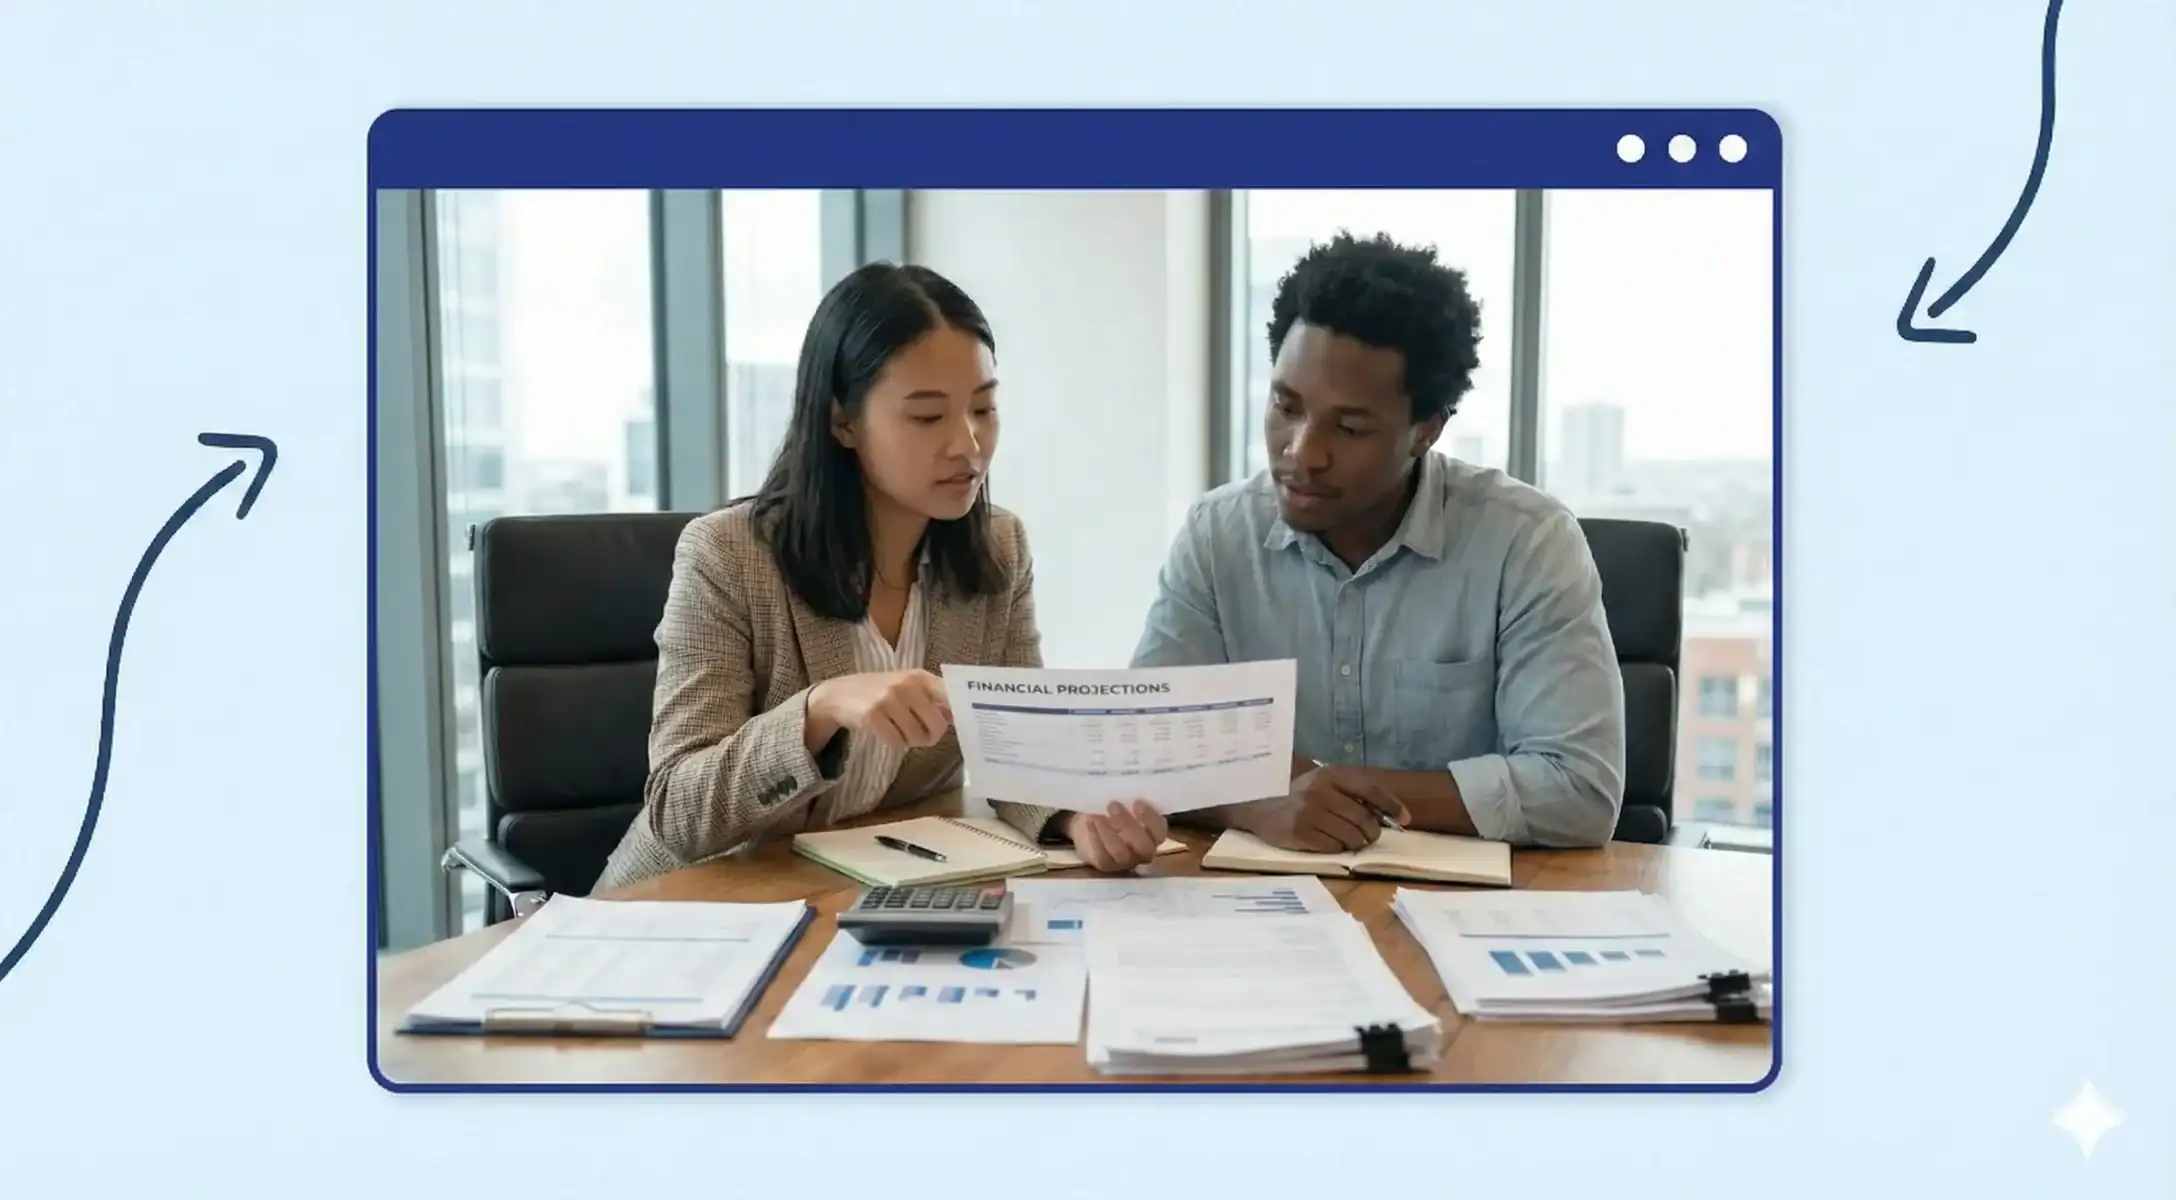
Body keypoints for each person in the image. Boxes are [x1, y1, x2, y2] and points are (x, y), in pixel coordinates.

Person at [596, 263, 1166, 891]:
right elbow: (678, 810)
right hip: (696, 903)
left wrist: (1073, 814)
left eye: (984, 408)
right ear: (843, 421)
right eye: (927, 418)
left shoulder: (999, 548)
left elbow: (1015, 747)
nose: (969, 445)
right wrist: (818, 710)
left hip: (867, 894)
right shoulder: (728, 556)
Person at [1134, 232, 1626, 853]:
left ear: (1426, 430)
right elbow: (1148, 746)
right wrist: (1263, 804)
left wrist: (1328, 792)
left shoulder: (1526, 543)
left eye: (1349, 427)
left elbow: (1578, 789)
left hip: (1467, 915)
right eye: (1286, 407)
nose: (1302, 452)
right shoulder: (1218, 535)